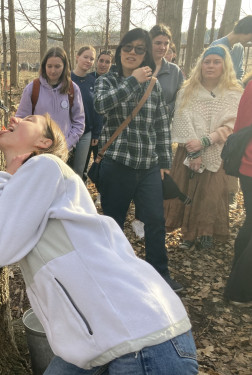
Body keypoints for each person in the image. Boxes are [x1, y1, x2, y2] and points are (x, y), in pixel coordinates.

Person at [0, 113, 198, 374]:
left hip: (141, 341)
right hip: (101, 345)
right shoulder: (40, 184)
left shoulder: (45, 166)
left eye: (29, 118)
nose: (14, 117)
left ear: (45, 142)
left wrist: (1, 178)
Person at [93, 28, 182, 291]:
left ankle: (160, 274)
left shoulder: (153, 85)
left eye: (139, 49)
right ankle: (113, 275)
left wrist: (165, 163)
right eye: (128, 48)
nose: (132, 53)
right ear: (120, 51)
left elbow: (161, 126)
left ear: (145, 54)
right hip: (117, 164)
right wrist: (132, 80)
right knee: (114, 223)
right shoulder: (106, 81)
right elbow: (102, 105)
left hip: (148, 167)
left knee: (155, 221)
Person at [164, 45, 242, 251]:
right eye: (207, 62)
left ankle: (205, 231)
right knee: (188, 191)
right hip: (189, 151)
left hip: (218, 150)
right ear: (201, 64)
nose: (211, 66)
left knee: (210, 194)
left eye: (216, 62)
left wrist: (207, 141)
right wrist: (195, 149)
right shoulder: (187, 90)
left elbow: (233, 124)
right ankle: (188, 234)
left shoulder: (234, 93)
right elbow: (181, 119)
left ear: (224, 66)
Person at [130, 25, 185, 238]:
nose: (162, 47)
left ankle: (146, 217)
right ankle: (135, 213)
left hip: (161, 132)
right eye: (158, 43)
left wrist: (162, 111)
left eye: (166, 43)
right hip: (137, 132)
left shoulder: (174, 72)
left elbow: (180, 101)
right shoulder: (140, 67)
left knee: (154, 177)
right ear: (149, 43)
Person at [15, 46, 85, 154]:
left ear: (65, 66)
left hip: (64, 151)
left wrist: (66, 145)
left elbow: (79, 122)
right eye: (49, 66)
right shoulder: (32, 88)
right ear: (44, 66)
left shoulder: (73, 89)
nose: (53, 70)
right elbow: (21, 119)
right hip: (37, 150)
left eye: (57, 66)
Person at [224, 72, 252, 307]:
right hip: (250, 163)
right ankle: (240, 290)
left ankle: (238, 282)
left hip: (248, 164)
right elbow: (243, 127)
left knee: (250, 223)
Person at [70, 45, 96, 179]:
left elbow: (96, 110)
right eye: (86, 57)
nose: (88, 61)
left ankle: (78, 198)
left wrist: (95, 133)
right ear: (77, 57)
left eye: (92, 59)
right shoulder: (66, 79)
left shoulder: (93, 81)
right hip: (67, 130)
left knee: (79, 171)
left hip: (86, 133)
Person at [210, 15, 252, 81]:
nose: (250, 40)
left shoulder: (239, 48)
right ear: (246, 30)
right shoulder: (217, 46)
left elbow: (239, 74)